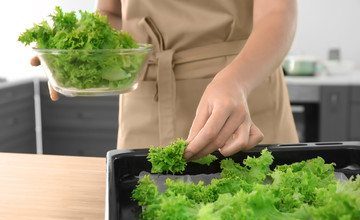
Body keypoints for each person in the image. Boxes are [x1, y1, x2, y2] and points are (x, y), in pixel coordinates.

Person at [31, 0, 299, 161]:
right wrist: (72, 54)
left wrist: (236, 82)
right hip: (146, 99)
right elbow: (112, 12)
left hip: (240, 93)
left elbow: (277, 12)